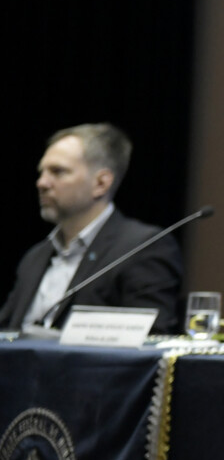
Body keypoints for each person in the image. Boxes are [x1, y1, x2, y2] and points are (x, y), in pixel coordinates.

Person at [1, 124, 182, 334]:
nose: (41, 183)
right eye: (41, 172)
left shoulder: (143, 248)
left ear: (101, 183)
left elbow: (151, 339)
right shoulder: (35, 257)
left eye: (58, 172)